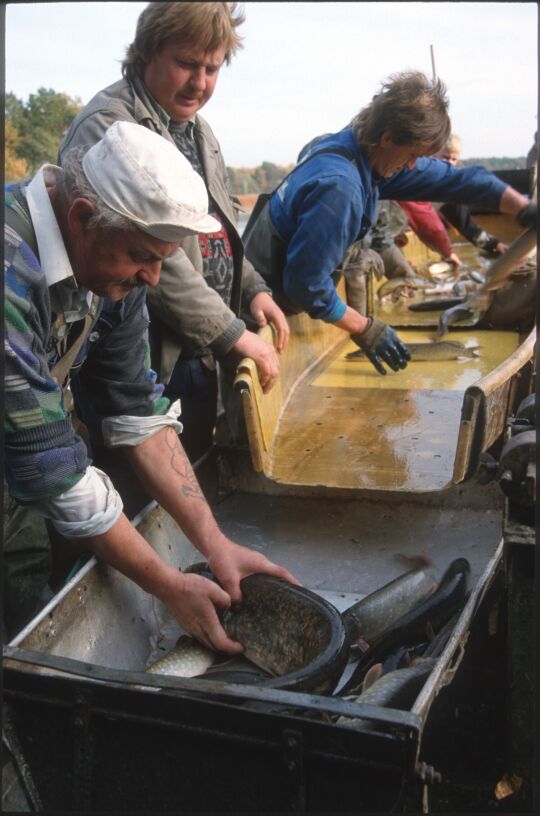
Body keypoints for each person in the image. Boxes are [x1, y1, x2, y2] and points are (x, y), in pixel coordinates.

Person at [4, 120, 297, 643]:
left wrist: (215, 545)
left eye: (163, 260)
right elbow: (48, 465)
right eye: (143, 257)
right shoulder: (11, 269)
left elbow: (136, 409)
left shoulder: (114, 266)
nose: (153, 278)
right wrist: (168, 584)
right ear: (82, 217)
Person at [59, 2, 290, 462]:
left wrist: (253, 289)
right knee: (138, 476)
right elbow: (150, 258)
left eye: (212, 68)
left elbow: (219, 225)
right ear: (147, 51)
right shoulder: (109, 126)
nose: (200, 83)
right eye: (186, 63)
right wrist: (229, 333)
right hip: (142, 358)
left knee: (195, 462)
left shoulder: (200, 132)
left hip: (197, 352)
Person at [244, 72, 536, 375]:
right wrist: (364, 327)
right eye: (412, 155)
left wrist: (524, 209)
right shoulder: (340, 188)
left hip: (280, 295)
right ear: (387, 138)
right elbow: (306, 285)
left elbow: (454, 179)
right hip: (257, 311)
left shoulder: (360, 148)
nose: (412, 165)